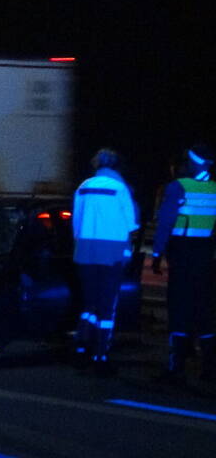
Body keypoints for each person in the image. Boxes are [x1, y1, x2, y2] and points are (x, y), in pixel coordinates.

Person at [151, 143, 216, 383]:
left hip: (182, 254)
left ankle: (175, 366)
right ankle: (209, 367)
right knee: (205, 311)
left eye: (186, 161)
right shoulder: (214, 189)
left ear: (194, 163)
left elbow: (165, 224)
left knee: (179, 308)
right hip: (206, 256)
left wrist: (157, 255)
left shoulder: (178, 187)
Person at [71, 148, 138, 374]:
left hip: (85, 250)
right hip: (111, 252)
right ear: (116, 166)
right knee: (107, 307)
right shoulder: (120, 188)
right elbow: (131, 224)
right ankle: (101, 355)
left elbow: (76, 222)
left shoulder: (83, 187)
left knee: (88, 304)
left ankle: (81, 348)